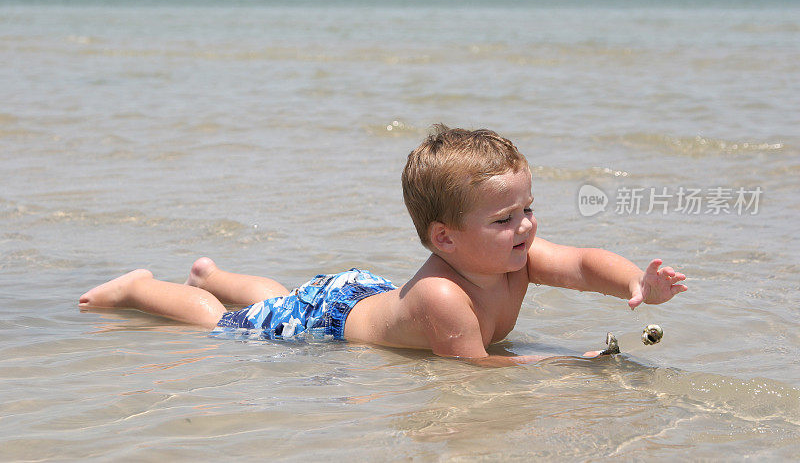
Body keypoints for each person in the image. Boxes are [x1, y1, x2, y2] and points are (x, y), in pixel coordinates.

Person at [79, 125, 687, 366]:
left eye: (528, 210)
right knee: (230, 323)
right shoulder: (445, 298)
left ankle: (212, 270)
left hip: (366, 294)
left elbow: (582, 264)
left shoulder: (517, 257)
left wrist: (634, 282)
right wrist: (569, 368)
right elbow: (474, 371)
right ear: (444, 238)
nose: (526, 227)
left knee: (281, 297)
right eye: (505, 219)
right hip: (331, 321)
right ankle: (143, 287)